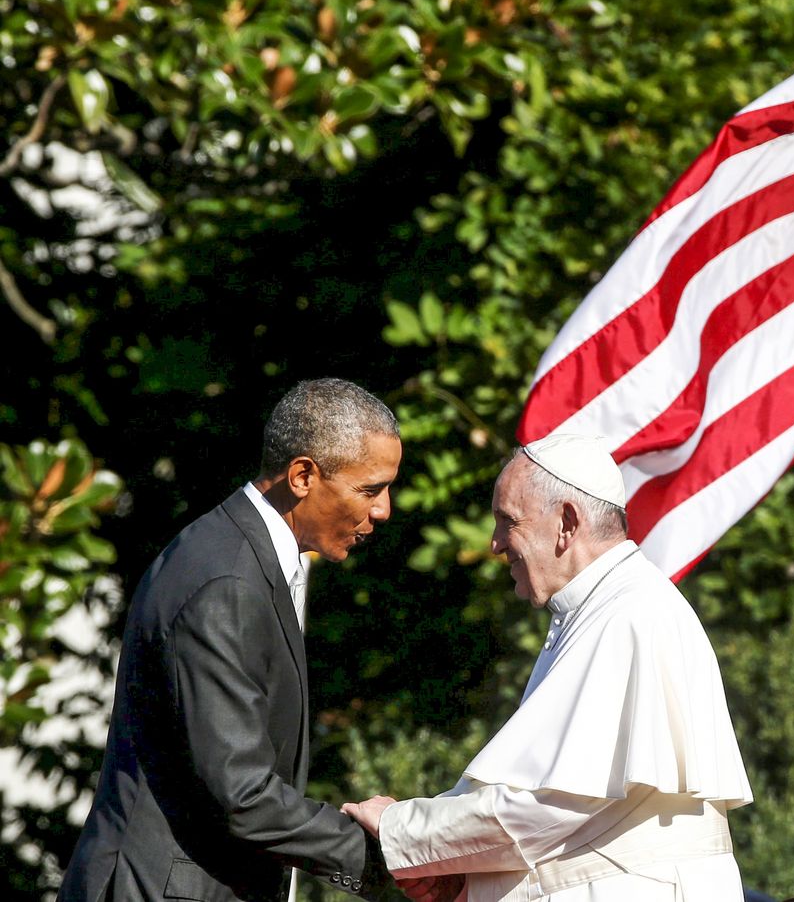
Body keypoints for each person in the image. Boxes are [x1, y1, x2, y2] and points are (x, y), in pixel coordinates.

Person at [342, 433, 753, 902]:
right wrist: (450, 867)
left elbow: (549, 807)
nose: (495, 545)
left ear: (566, 524)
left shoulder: (631, 615)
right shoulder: (600, 611)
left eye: (508, 522)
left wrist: (404, 829)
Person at [60, 378, 403, 902]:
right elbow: (243, 795)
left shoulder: (237, 554)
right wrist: (397, 855)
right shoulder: (227, 582)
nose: (383, 511)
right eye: (370, 489)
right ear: (303, 475)